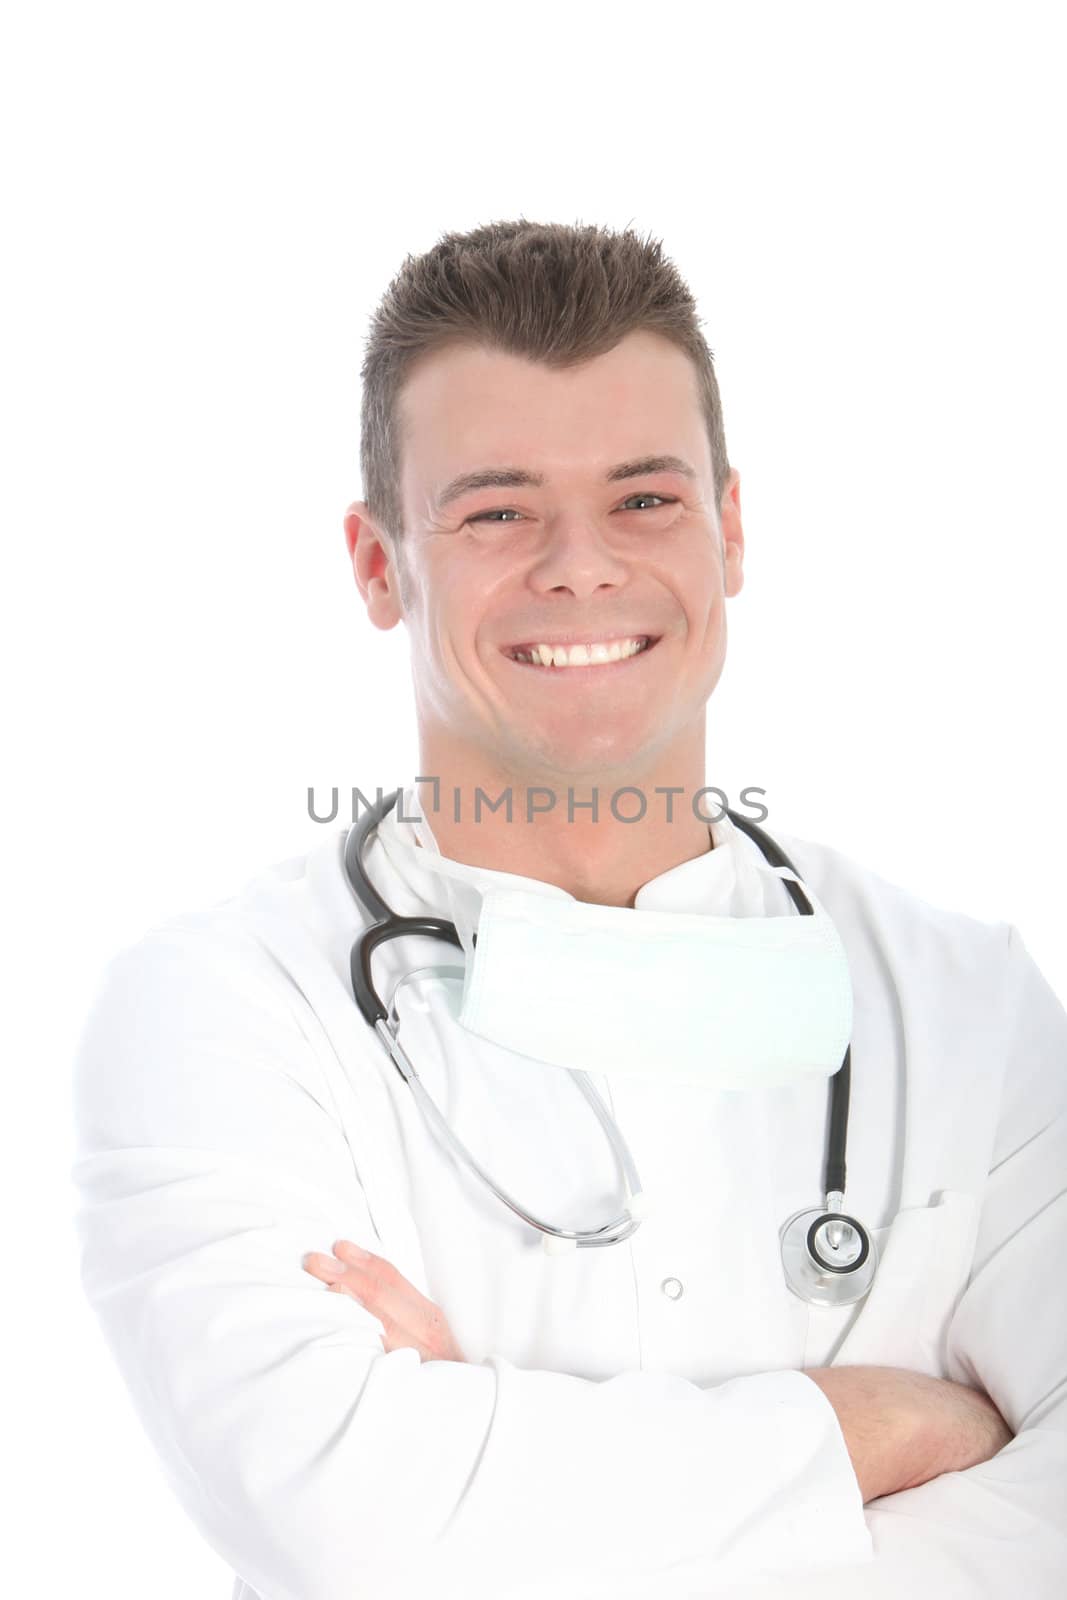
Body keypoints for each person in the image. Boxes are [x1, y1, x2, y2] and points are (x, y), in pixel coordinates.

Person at [70, 219, 1067, 1600]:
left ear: (729, 530)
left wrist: (484, 1478)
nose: (581, 565)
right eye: (496, 510)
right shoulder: (224, 1008)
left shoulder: (971, 1008)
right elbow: (342, 1515)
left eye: (645, 500)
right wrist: (899, 1428)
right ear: (376, 566)